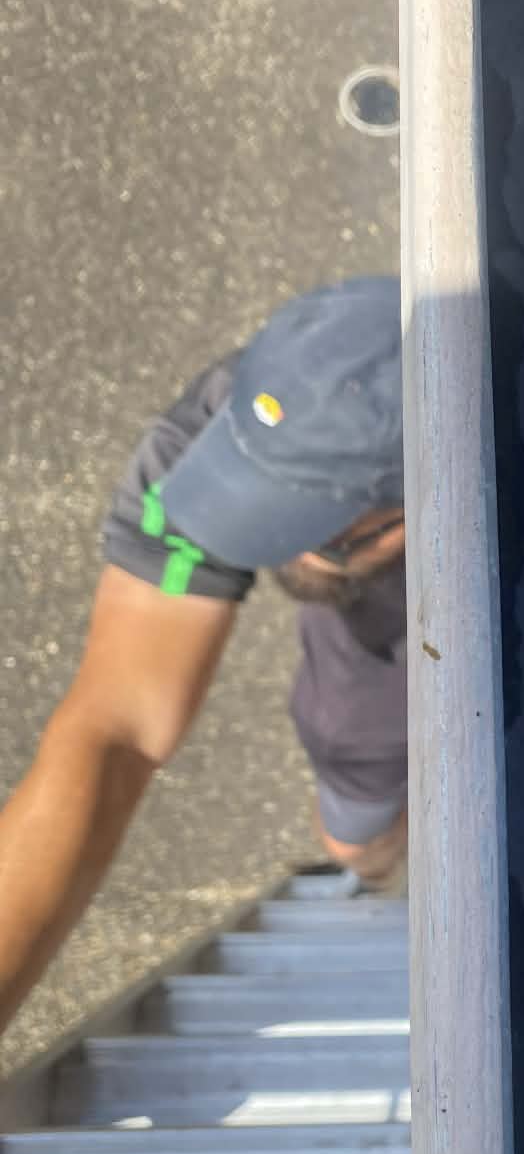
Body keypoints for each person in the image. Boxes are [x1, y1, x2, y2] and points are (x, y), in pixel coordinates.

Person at [0, 276, 409, 1035]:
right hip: (375, 637)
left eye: (320, 536)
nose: (275, 552)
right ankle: (381, 864)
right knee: (354, 830)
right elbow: (118, 728)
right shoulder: (235, 419)